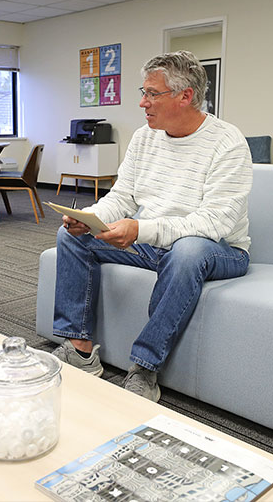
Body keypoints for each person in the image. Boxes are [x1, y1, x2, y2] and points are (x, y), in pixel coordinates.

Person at [52, 51, 252, 402]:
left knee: (187, 250)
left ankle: (145, 367)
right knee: (71, 237)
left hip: (220, 250)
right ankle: (79, 350)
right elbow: (123, 196)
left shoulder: (227, 142)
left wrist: (140, 230)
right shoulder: (145, 137)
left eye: (152, 93)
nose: (142, 102)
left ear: (185, 96)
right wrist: (90, 216)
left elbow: (214, 223)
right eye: (143, 92)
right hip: (155, 244)